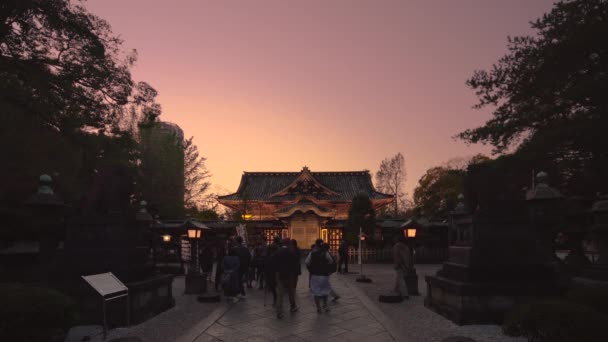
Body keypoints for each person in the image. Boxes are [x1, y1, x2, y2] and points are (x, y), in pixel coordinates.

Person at [306, 239, 335, 313]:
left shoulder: (312, 253)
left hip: (315, 275)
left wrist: (311, 268)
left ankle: (318, 307)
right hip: (324, 274)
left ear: (316, 244)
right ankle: (325, 305)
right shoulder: (325, 252)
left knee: (316, 292)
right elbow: (331, 261)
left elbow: (307, 262)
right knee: (325, 290)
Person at [274, 238, 300, 319]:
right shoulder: (291, 252)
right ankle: (293, 307)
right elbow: (296, 263)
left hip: (280, 274)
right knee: (291, 292)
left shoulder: (278, 251)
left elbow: (274, 262)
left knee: (280, 294)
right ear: (289, 244)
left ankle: (279, 311)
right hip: (290, 275)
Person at [264, 236, 281, 306]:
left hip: (271, 269)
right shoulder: (280, 249)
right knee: (278, 285)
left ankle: (275, 298)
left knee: (273, 285)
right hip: (278, 269)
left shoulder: (269, 247)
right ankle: (277, 299)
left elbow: (266, 258)